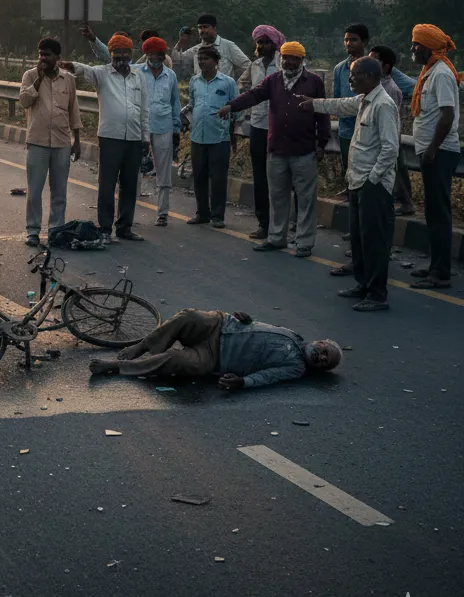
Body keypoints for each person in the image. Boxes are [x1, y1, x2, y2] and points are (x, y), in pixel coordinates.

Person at [297, 57, 399, 312]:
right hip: (357, 180)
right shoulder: (364, 99)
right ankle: (363, 284)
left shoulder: (383, 105)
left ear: (369, 76)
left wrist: (372, 179)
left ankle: (377, 294)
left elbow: (390, 149)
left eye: (354, 75)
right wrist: (314, 104)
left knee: (374, 241)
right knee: (360, 238)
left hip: (372, 184)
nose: (350, 79)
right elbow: (341, 105)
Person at [219, 41, 328, 258]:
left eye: (294, 58)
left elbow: (322, 112)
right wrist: (231, 106)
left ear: (301, 60)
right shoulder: (274, 80)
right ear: (282, 59)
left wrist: (322, 143)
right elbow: (254, 95)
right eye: (286, 58)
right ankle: (277, 237)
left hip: (304, 150)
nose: (289, 62)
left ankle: (304, 242)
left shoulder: (313, 81)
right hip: (277, 149)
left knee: (305, 199)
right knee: (277, 196)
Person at [88, 308, 342, 389]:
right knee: (188, 316)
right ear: (320, 342)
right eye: (324, 352)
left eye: (323, 362)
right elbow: (262, 328)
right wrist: (245, 318)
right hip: (222, 325)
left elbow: (267, 377)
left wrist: (243, 382)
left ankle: (117, 367)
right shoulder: (295, 336)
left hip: (216, 357)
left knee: (176, 360)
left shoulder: (296, 367)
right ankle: (142, 345)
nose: (320, 357)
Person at [65, 33, 149, 242]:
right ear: (110, 55)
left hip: (134, 138)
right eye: (116, 54)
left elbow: (145, 110)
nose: (120, 58)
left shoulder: (139, 77)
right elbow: (84, 70)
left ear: (131, 54)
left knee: (130, 184)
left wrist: (145, 137)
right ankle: (104, 227)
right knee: (107, 184)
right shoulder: (102, 74)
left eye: (124, 53)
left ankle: (125, 227)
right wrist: (68, 64)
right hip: (110, 137)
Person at [407, 24, 461, 290]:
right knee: (432, 210)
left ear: (428, 46)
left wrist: (432, 148)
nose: (412, 49)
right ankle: (434, 265)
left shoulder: (440, 74)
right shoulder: (429, 71)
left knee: (438, 212)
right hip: (432, 150)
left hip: (439, 152)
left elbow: (447, 115)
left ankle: (441, 273)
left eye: (417, 44)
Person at [18, 38, 82, 247]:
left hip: (62, 141)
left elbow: (74, 110)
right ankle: (33, 230)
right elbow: (25, 101)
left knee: (59, 190)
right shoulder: (30, 76)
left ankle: (55, 229)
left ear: (57, 58)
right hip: (37, 141)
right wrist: (38, 79)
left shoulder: (68, 79)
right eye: (40, 54)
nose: (42, 59)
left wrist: (77, 140)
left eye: (47, 55)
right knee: (34, 189)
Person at [183, 46, 237, 228]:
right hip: (198, 136)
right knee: (198, 176)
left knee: (218, 178)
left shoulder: (227, 82)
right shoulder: (194, 81)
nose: (202, 62)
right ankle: (202, 213)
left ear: (216, 61)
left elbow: (236, 106)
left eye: (206, 58)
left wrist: (232, 126)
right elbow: (192, 102)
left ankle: (218, 215)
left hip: (219, 137)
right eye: (200, 59)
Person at [137, 36, 181, 227]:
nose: (157, 58)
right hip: (140, 128)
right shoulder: (136, 72)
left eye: (160, 55)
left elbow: (175, 102)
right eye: (153, 54)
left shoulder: (170, 75)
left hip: (164, 127)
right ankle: (128, 214)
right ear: (146, 54)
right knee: (134, 170)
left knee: (163, 172)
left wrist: (176, 127)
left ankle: (162, 213)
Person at [246, 24, 285, 239]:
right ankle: (264, 222)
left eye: (266, 42)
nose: (262, 46)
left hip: (279, 126)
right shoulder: (255, 65)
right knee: (259, 177)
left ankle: (282, 223)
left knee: (279, 176)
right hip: (258, 125)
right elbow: (248, 89)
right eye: (259, 42)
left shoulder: (283, 64)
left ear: (275, 43)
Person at [369, 45, 416, 216]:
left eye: (373, 60)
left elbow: (390, 118)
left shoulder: (391, 89)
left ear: (386, 66)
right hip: (378, 138)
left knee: (396, 172)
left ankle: (406, 202)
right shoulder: (374, 85)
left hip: (388, 138)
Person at [333, 24, 370, 180]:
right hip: (346, 129)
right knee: (348, 170)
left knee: (366, 172)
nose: (349, 43)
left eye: (353, 40)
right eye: (346, 40)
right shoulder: (340, 69)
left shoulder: (374, 66)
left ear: (365, 42)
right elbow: (336, 99)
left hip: (368, 128)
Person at [172, 13, 251, 82]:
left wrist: (238, 84)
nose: (202, 30)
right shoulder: (196, 49)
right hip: (201, 93)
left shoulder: (228, 46)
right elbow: (177, 62)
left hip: (223, 95)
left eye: (205, 27)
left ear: (214, 28)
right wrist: (181, 41)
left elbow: (248, 65)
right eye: (200, 27)